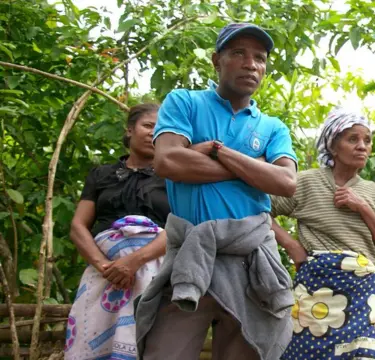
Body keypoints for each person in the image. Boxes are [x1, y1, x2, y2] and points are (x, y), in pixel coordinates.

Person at [134, 23, 297, 360]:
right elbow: (167, 162)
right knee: (165, 354)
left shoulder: (272, 127)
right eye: (238, 53)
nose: (251, 64)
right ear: (216, 61)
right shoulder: (185, 102)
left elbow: (285, 184)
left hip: (251, 262)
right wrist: (255, 170)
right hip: (190, 257)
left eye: (259, 57)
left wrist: (218, 151)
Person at [270, 107, 375, 359]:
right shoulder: (305, 182)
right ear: (333, 146)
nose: (362, 146)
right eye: (353, 139)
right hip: (316, 289)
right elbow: (260, 211)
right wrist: (292, 246)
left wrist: (362, 207)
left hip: (363, 292)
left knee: (366, 354)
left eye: (367, 140)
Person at [65, 104, 169, 360]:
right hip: (104, 273)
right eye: (147, 125)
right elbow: (78, 226)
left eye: (160, 128)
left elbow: (183, 226)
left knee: (153, 343)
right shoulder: (101, 175)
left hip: (157, 274)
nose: (152, 132)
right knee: (92, 340)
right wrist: (105, 266)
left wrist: (135, 260)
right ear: (129, 130)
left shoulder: (175, 177)